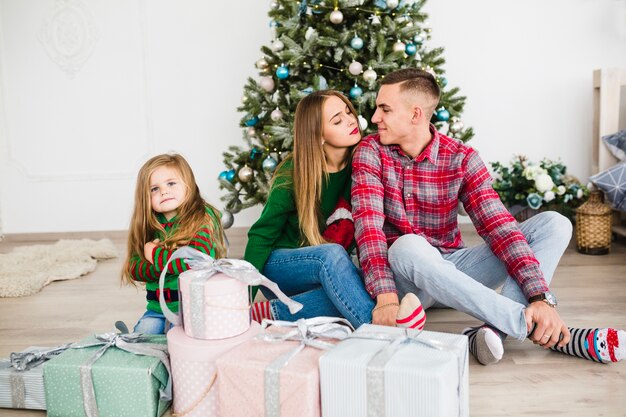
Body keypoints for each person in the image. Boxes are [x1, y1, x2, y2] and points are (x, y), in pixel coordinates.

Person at [351, 68, 624, 365]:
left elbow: (500, 228)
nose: (375, 117)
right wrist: (386, 297)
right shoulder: (371, 151)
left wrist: (540, 297)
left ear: (416, 114)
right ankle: (549, 333)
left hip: (453, 273)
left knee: (555, 223)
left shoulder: (462, 158)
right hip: (403, 279)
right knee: (407, 245)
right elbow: (369, 229)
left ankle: (495, 330)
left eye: (385, 109)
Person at [244, 90, 426, 330]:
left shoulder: (364, 162)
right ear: (318, 135)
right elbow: (261, 235)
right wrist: (241, 299)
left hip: (329, 273)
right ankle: (379, 331)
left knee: (364, 283)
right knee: (330, 254)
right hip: (282, 267)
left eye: (348, 112)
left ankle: (271, 313)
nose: (351, 120)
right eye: (337, 120)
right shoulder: (293, 174)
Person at [122, 153, 226, 334]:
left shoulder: (202, 218)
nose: (164, 191)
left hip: (197, 309)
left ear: (188, 185)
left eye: (171, 183)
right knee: (144, 336)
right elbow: (133, 268)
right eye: (154, 188)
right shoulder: (150, 225)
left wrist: (154, 255)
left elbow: (193, 261)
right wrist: (163, 264)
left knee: (192, 344)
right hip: (158, 311)